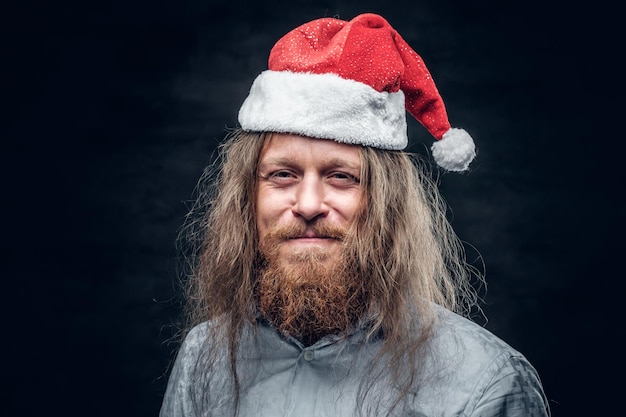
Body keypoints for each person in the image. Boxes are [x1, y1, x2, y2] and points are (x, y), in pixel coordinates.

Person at [159, 13, 550, 417]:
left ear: (387, 202)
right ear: (248, 197)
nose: (308, 204)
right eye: (282, 174)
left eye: (341, 176)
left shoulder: (486, 382)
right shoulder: (203, 359)